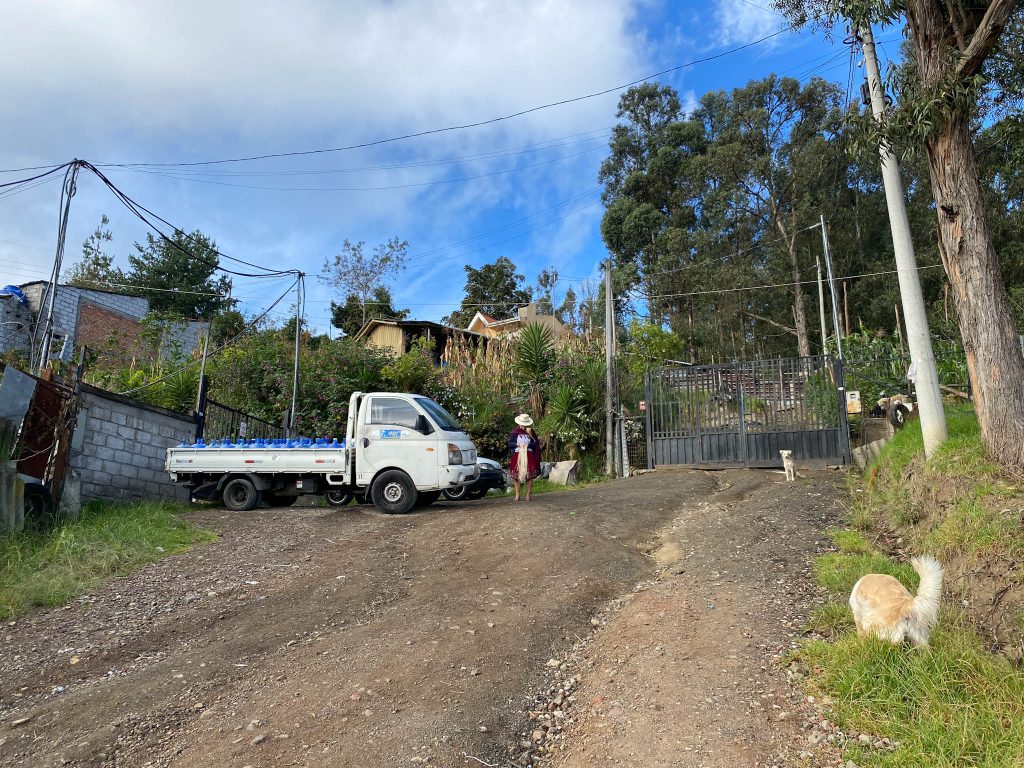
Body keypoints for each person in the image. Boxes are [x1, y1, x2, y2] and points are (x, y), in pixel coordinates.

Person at [508, 413, 541, 502]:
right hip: (517, 455)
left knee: (529, 475)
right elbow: (510, 444)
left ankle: (528, 495)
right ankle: (517, 495)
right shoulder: (514, 432)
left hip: (529, 455)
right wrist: (517, 444)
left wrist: (528, 444)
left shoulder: (530, 432)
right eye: (522, 424)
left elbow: (535, 444)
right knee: (516, 475)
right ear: (519, 423)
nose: (523, 426)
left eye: (525, 424)